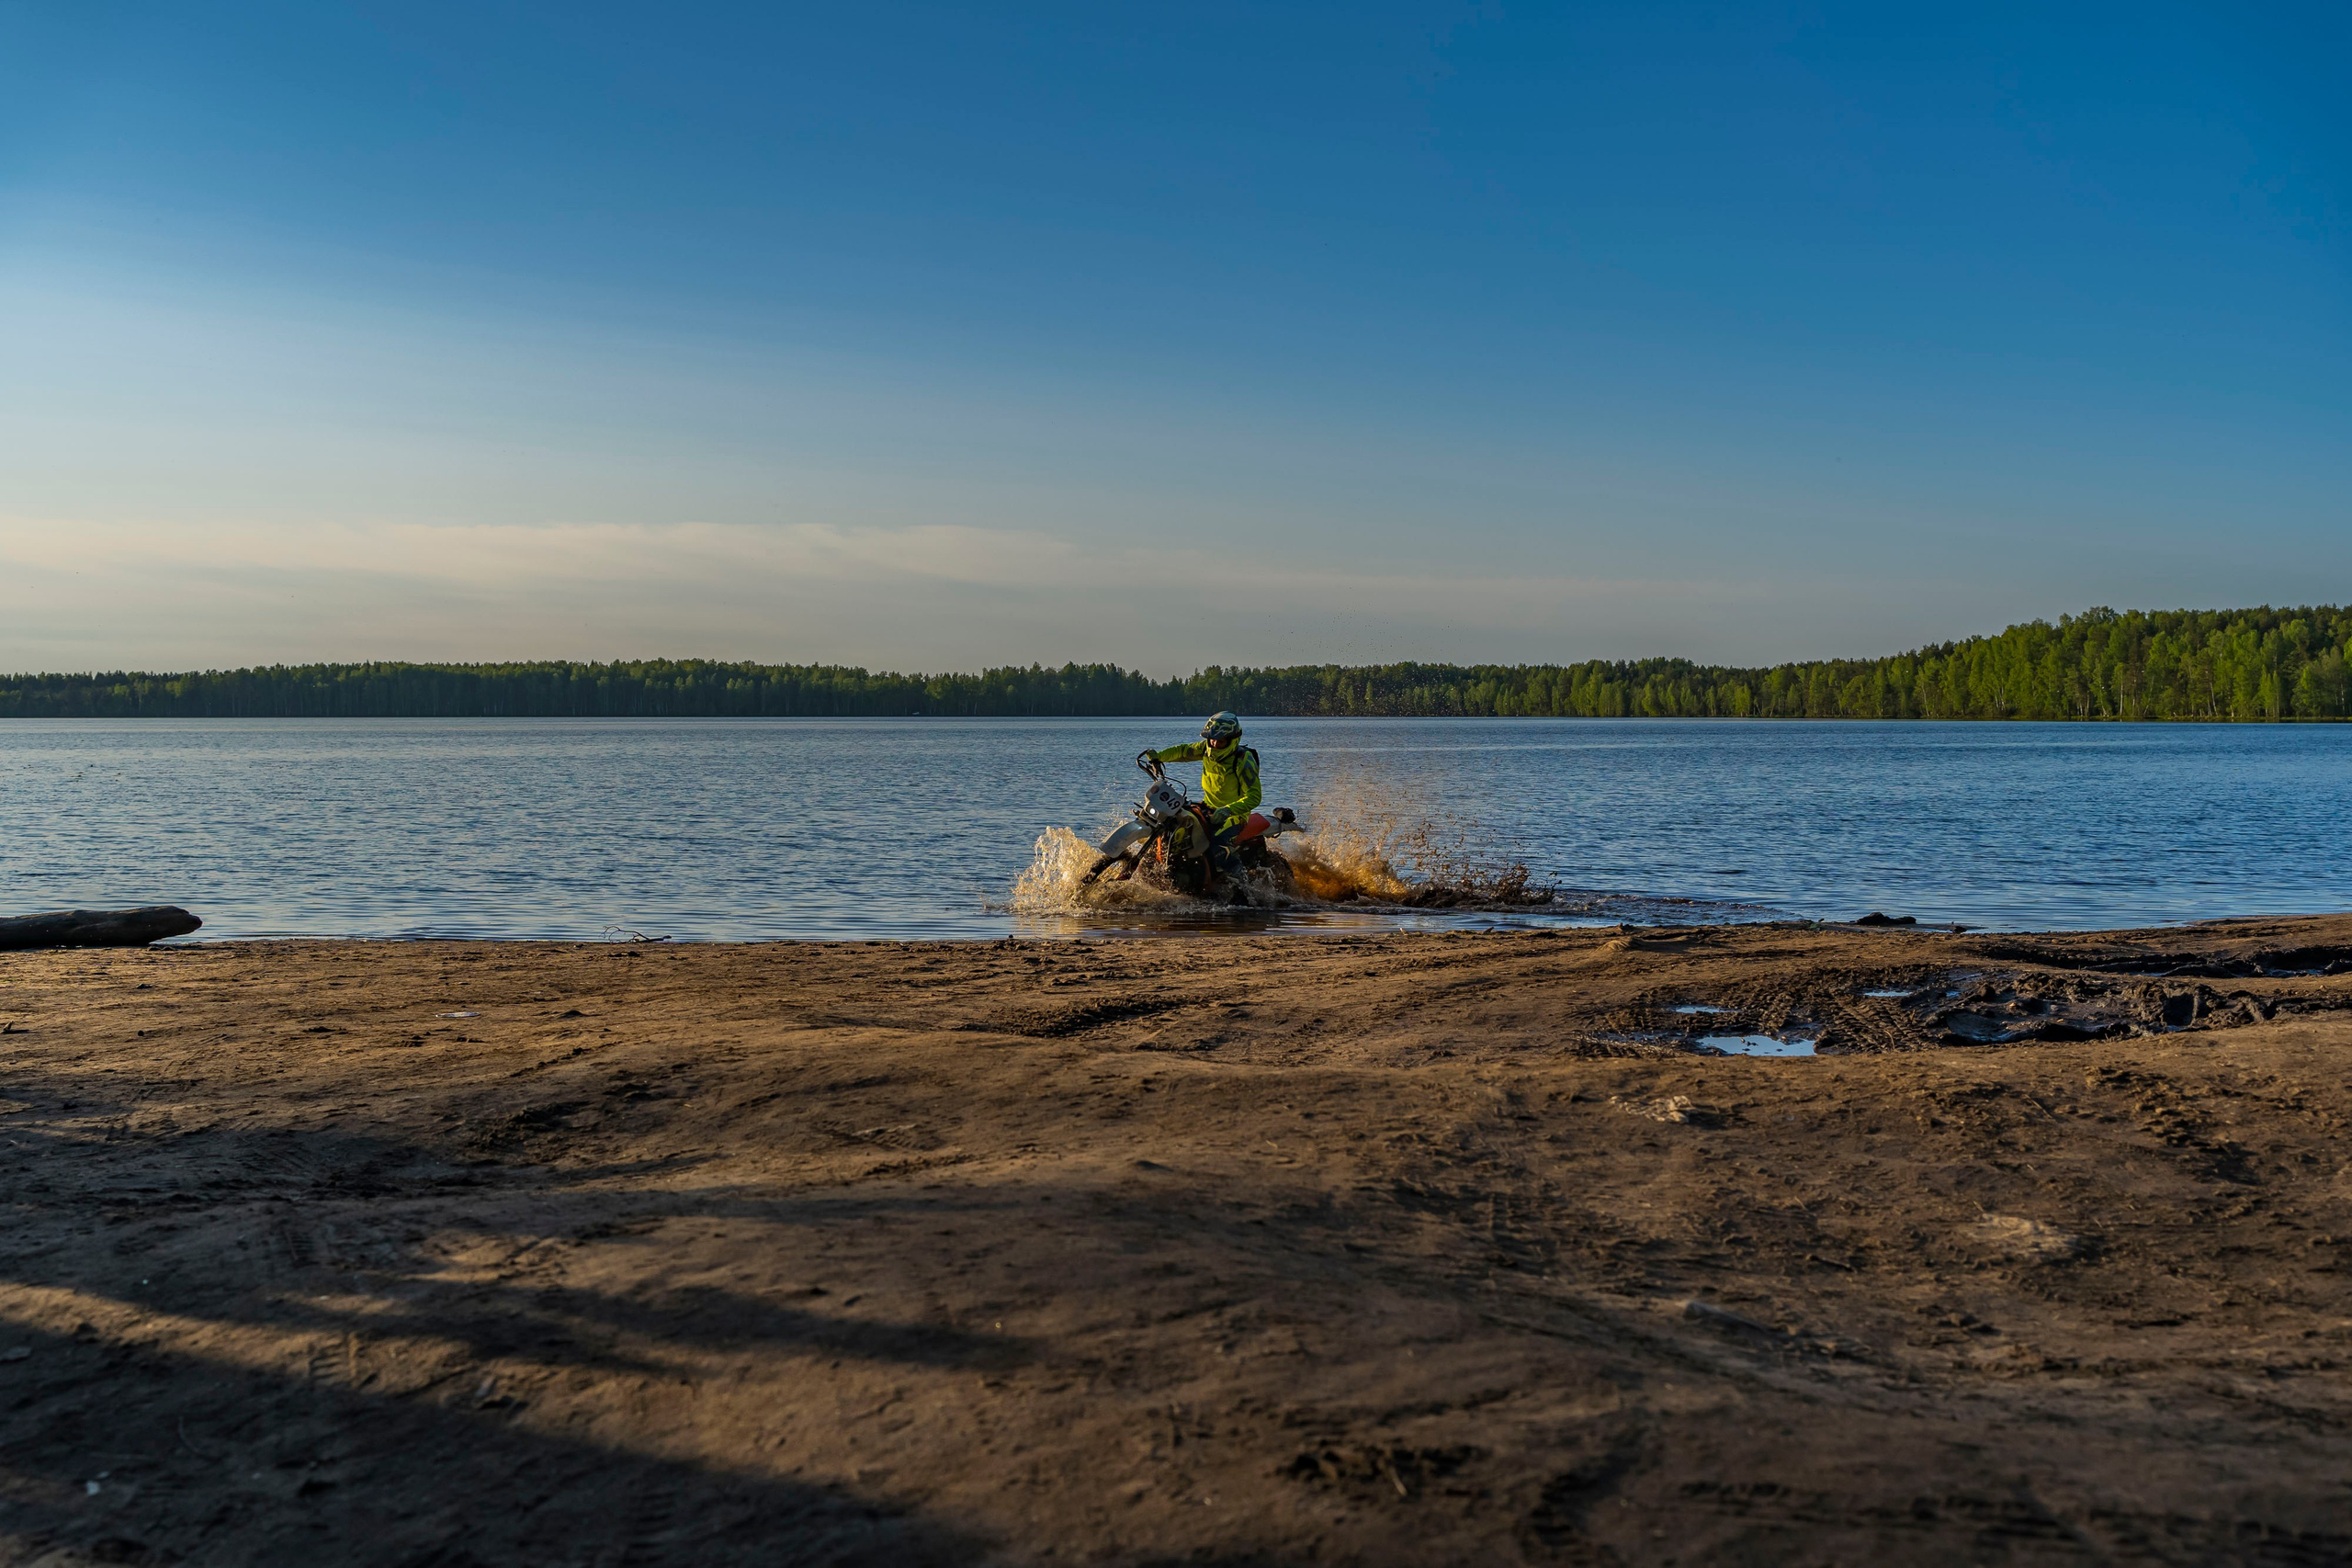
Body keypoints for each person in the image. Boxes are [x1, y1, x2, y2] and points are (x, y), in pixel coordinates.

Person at [1140, 711, 1261, 879]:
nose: (1215, 744)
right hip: (1208, 807)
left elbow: (1254, 796)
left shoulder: (1243, 760)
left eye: (1221, 741)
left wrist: (1228, 810)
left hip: (1234, 815)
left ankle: (1243, 885)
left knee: (1216, 848)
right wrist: (1159, 757)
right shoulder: (1205, 749)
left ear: (1233, 740)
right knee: (1171, 826)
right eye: (1212, 739)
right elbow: (1182, 752)